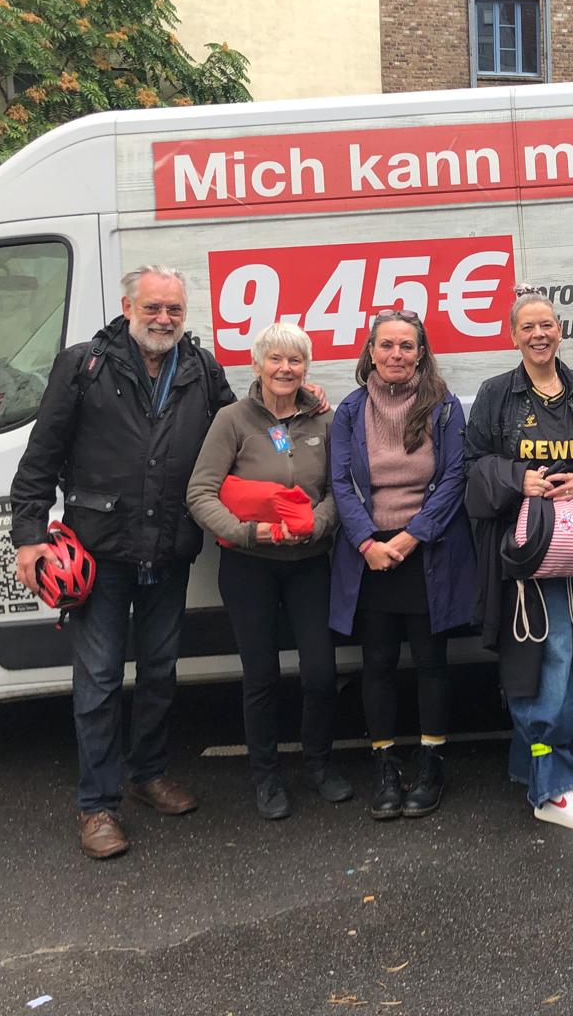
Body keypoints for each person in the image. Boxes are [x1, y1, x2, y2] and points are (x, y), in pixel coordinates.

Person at [10, 265, 235, 860]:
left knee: (160, 672)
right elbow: (40, 458)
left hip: (169, 550)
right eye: (153, 307)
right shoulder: (84, 365)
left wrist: (300, 403)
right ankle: (97, 805)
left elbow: (241, 433)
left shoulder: (202, 369)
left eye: (174, 310)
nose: (164, 319)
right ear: (128, 306)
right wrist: (28, 537)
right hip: (101, 552)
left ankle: (148, 774)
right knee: (100, 681)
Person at [465, 288, 573, 832]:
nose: (539, 334)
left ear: (560, 330)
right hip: (528, 553)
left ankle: (535, 765)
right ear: (513, 336)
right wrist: (520, 479)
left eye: (547, 324)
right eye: (528, 327)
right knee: (548, 659)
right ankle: (554, 788)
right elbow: (471, 465)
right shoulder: (496, 394)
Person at [187, 322, 348, 820]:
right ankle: (267, 776)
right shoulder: (231, 420)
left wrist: (318, 525)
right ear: (256, 365)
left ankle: (319, 764)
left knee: (320, 673)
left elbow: (338, 489)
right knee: (261, 675)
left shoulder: (324, 419)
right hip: (249, 566)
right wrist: (247, 533)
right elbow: (200, 493)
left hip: (308, 564)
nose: (285, 368)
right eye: (275, 359)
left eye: (295, 360)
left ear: (306, 367)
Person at [329, 310, 477, 821]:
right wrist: (366, 542)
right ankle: (386, 767)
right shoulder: (350, 411)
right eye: (387, 345)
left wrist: (413, 535)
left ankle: (431, 765)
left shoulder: (444, 407)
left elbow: (455, 477)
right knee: (377, 663)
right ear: (371, 352)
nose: (396, 354)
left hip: (426, 551)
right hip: (370, 556)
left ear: (421, 353)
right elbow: (341, 482)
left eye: (406, 346)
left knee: (431, 662)